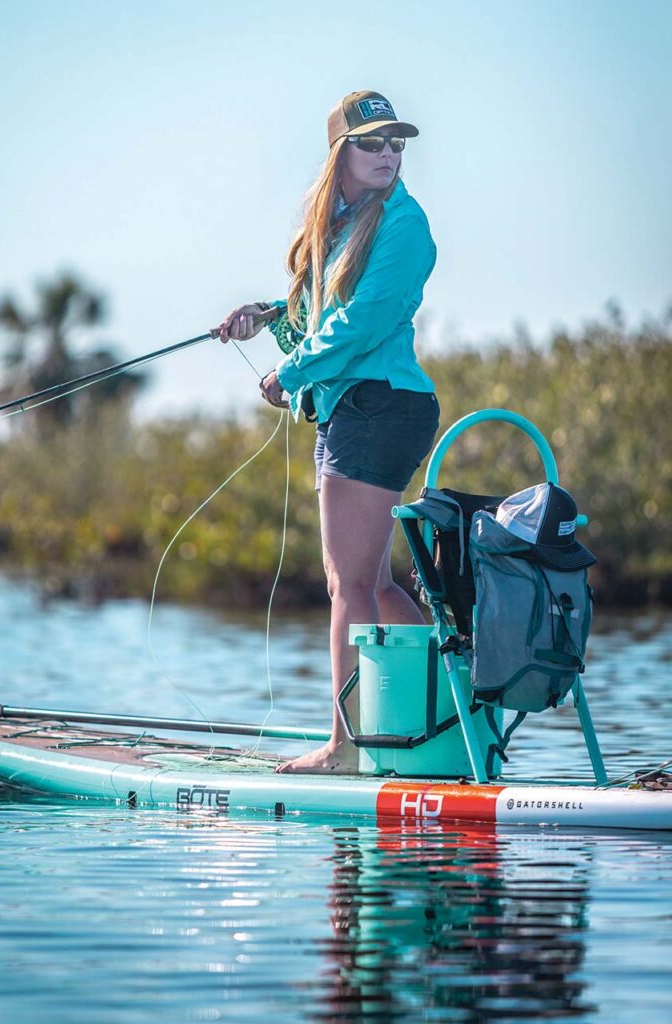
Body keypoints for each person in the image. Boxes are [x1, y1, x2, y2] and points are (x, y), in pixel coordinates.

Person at [217, 91, 440, 774]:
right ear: (339, 153)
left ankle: (342, 747)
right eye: (372, 142)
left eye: (395, 142)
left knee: (348, 587)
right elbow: (318, 326)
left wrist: (288, 371)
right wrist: (267, 318)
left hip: (380, 409)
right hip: (356, 409)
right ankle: (461, 696)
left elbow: (362, 325)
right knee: (372, 586)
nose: (387, 154)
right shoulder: (337, 228)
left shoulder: (404, 225)